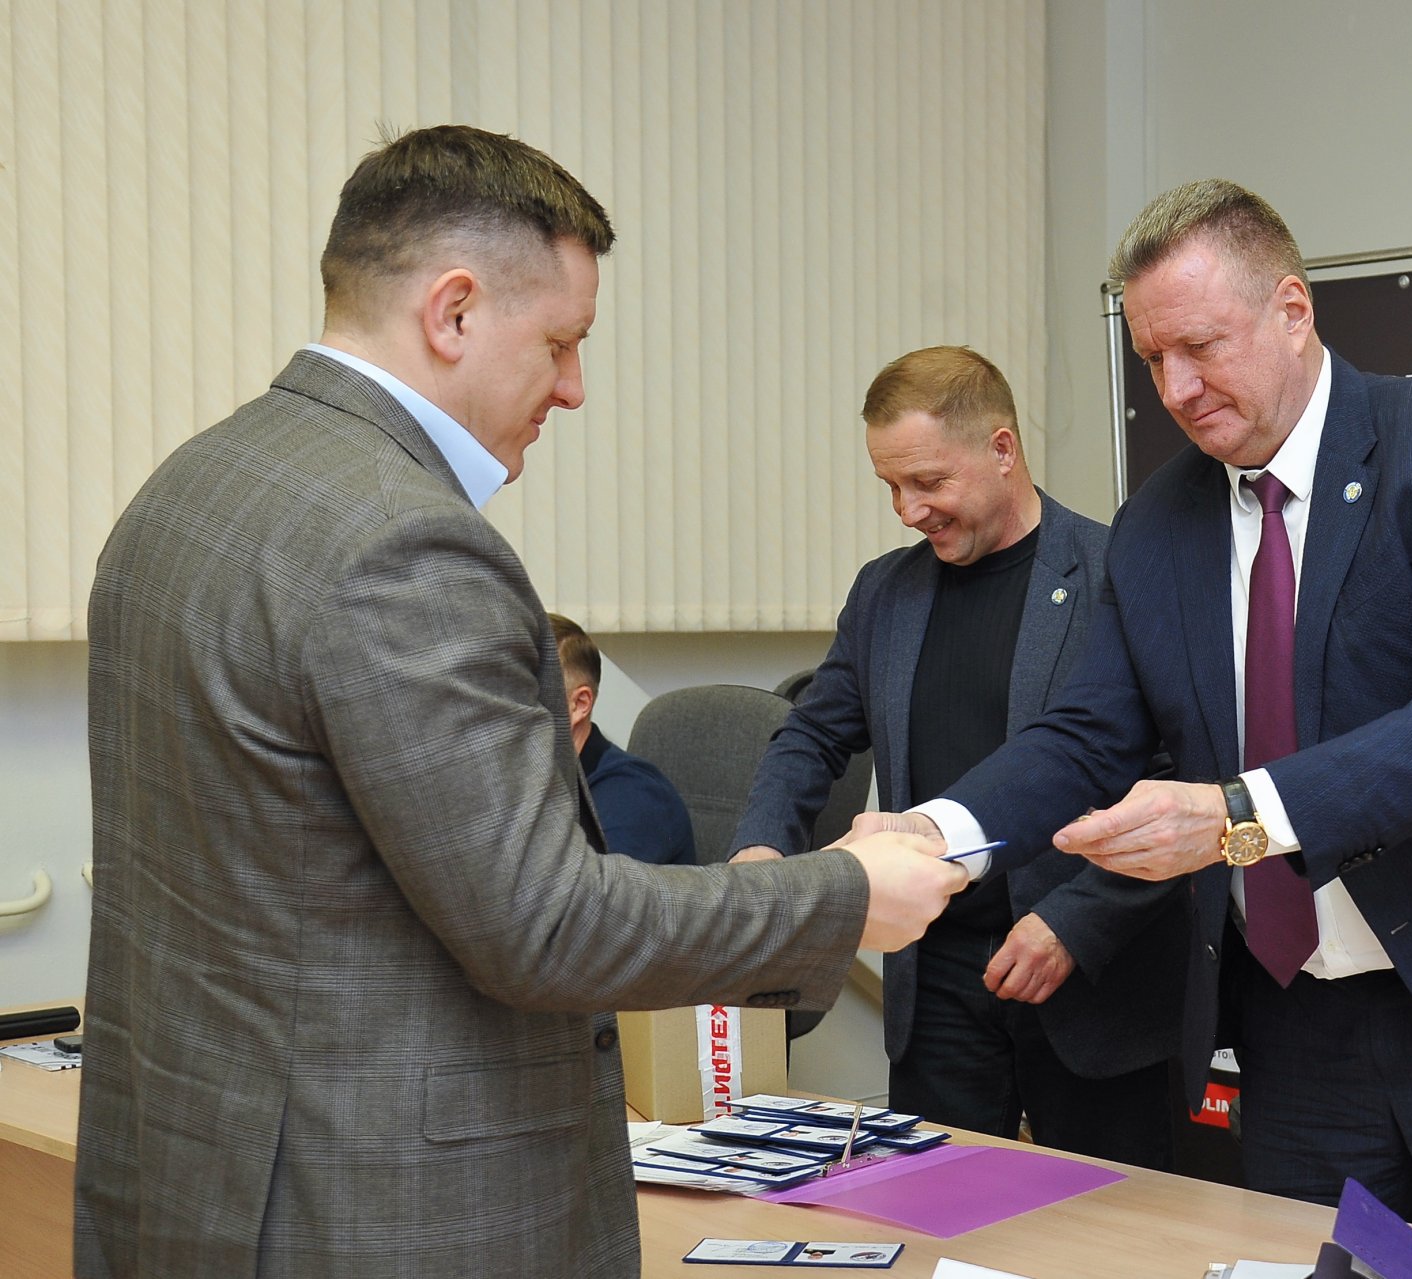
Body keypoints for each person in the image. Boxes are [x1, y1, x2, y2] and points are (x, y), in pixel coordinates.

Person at [75, 124, 965, 1279]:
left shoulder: (188, 487)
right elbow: (545, 927)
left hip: (199, 1174)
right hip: (381, 1209)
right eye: (560, 342)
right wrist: (843, 895)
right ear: (453, 312)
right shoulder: (404, 543)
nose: (574, 388)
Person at [856, 181, 1412, 1268]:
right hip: (1301, 1036)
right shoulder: (1159, 523)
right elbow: (1087, 736)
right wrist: (937, 832)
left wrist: (1235, 813)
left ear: (1292, 311)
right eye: (1152, 359)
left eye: (1201, 347)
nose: (1176, 388)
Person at [730, 346, 1184, 1167]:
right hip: (936, 979)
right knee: (937, 1212)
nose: (908, 509)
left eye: (928, 481)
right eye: (890, 485)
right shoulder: (885, 593)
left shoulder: (1118, 571)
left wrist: (1073, 922)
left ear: (1002, 449)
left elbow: (1176, 778)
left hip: (1089, 972)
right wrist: (762, 847)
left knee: (1113, 1221)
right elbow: (812, 734)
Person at [548, 611, 697, 865]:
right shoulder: (532, 780)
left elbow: (583, 891)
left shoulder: (633, 799)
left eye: (523, 695)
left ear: (579, 704)